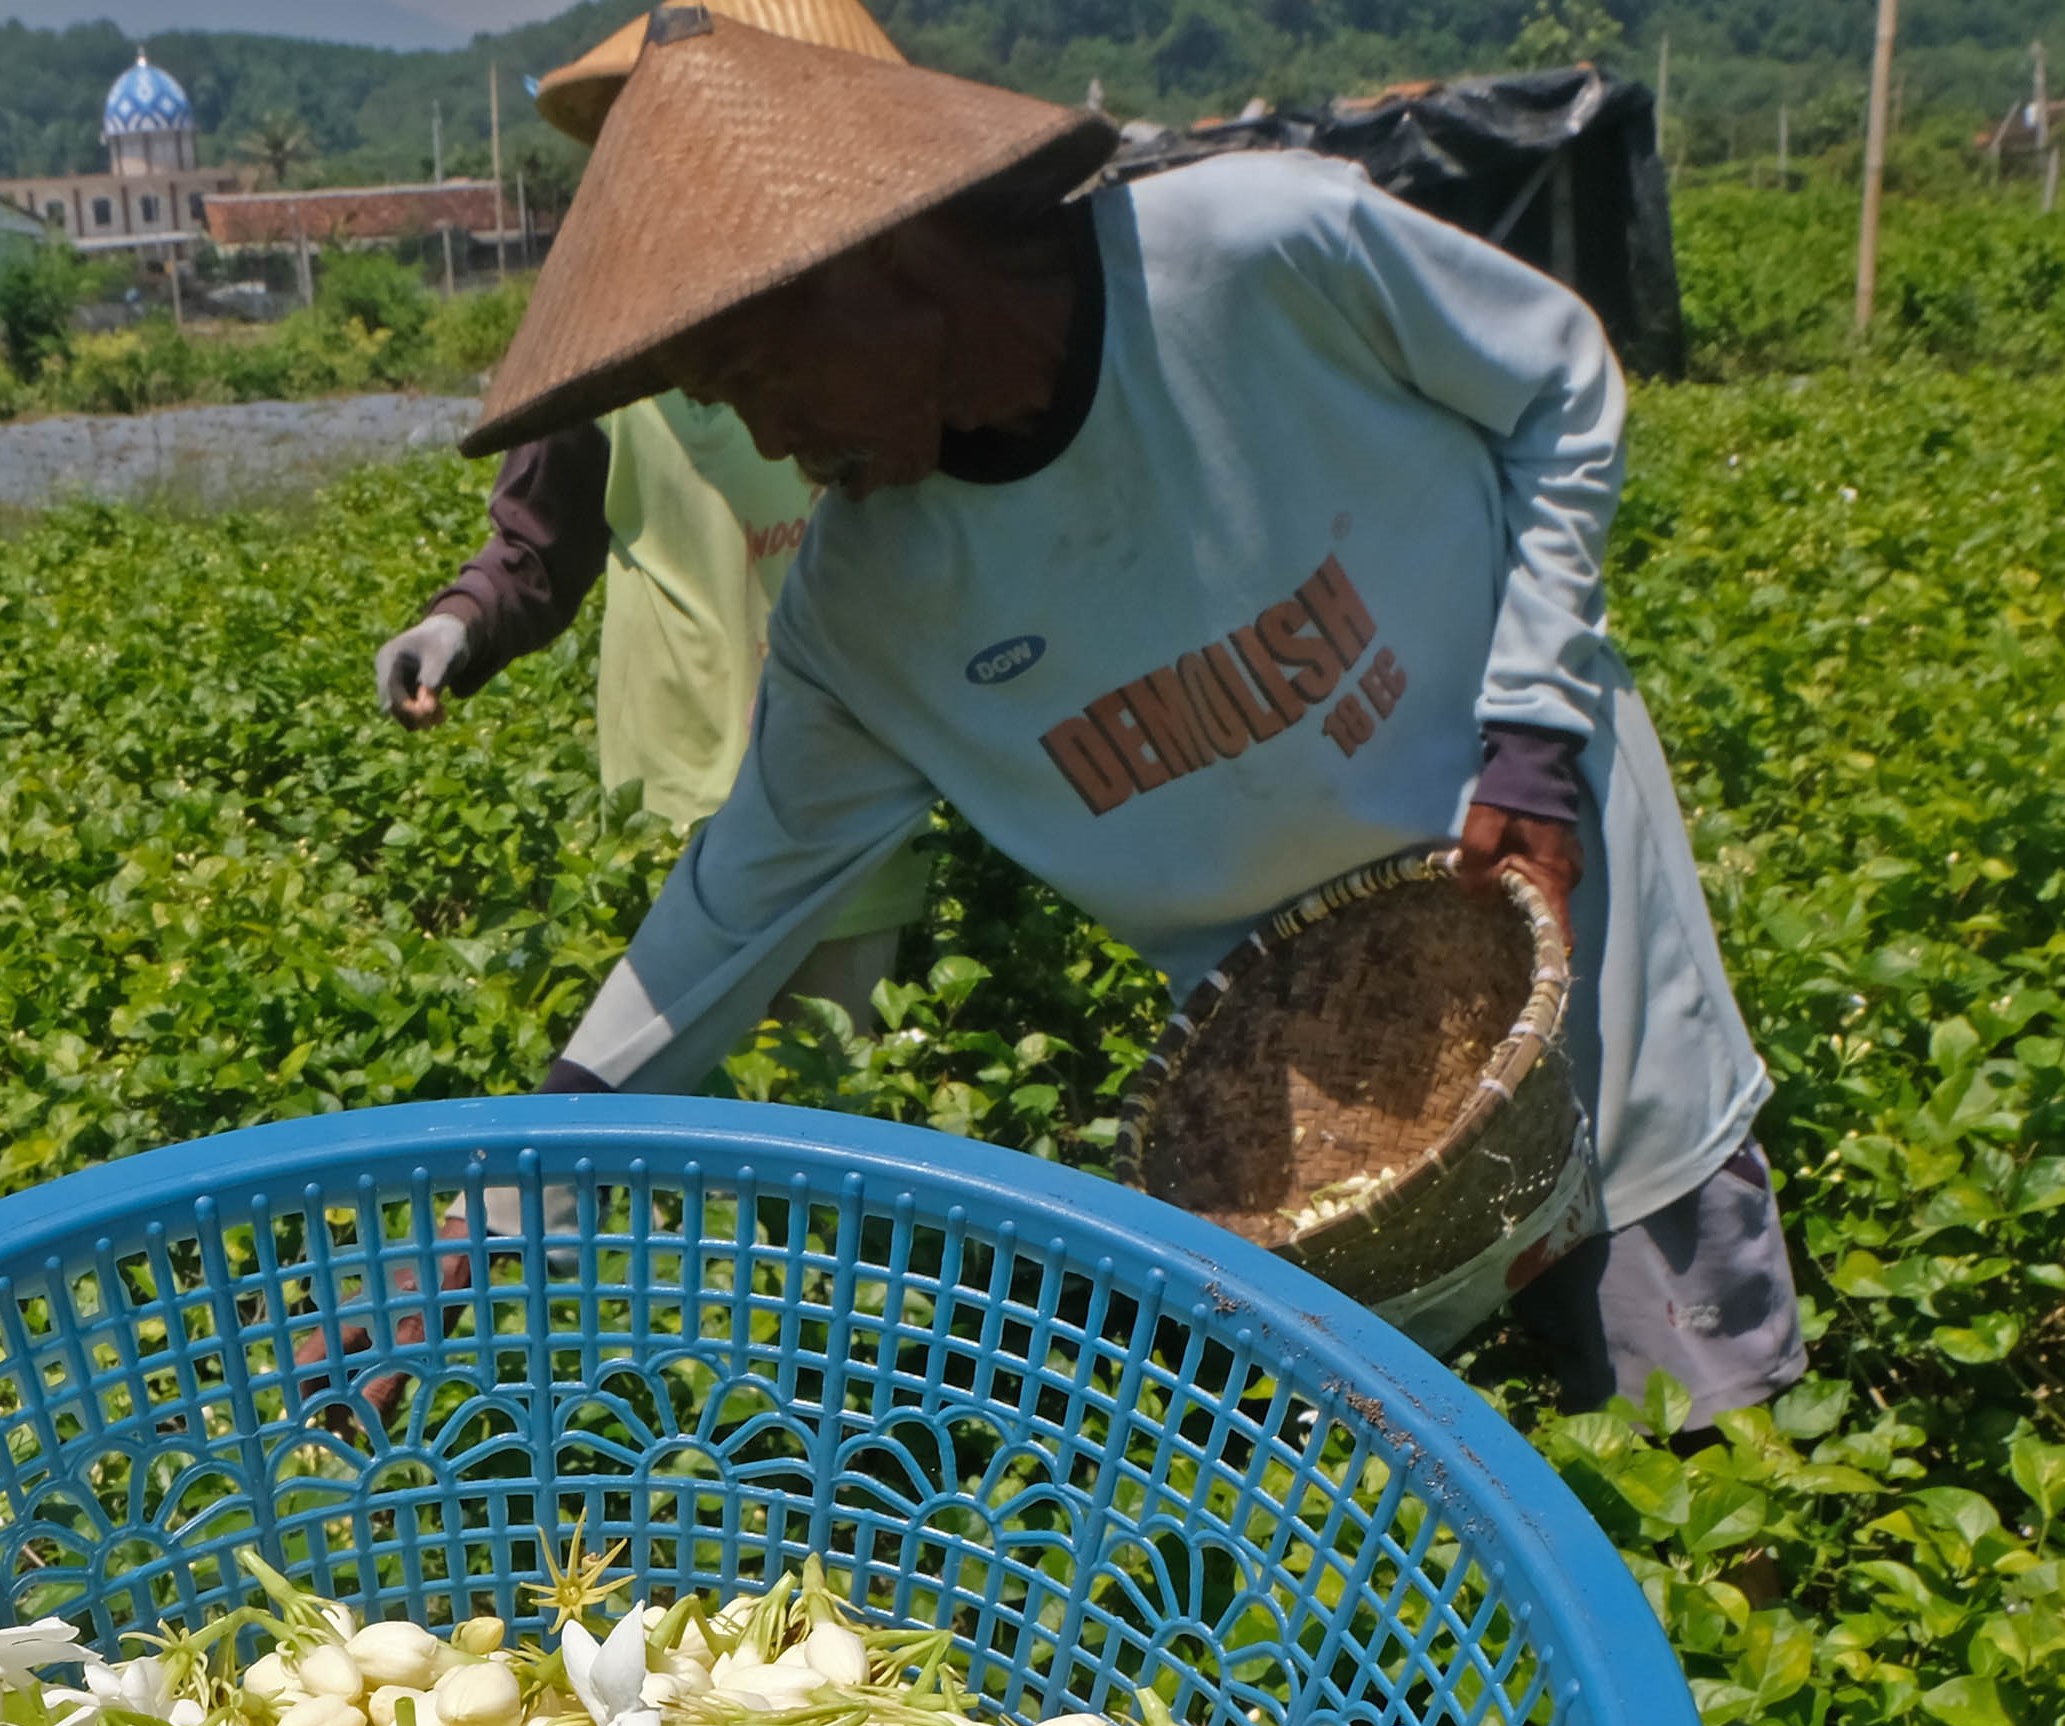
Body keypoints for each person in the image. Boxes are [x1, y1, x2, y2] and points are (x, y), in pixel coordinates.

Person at [467, 10, 1803, 1428]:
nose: (777, 446)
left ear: (880, 261)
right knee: (1377, 1471)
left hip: (1548, 897)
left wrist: (1532, 737)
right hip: (1302, 1084)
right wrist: (504, 1192)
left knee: (1692, 1416)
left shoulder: (1251, 256)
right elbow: (737, 899)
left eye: (759, 382)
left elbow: (1557, 381)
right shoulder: (866, 603)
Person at [374, 0, 934, 1056]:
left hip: (852, 804)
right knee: (656, 1137)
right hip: (663, 800)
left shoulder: (889, 312)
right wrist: (457, 627)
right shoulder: (613, 323)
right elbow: (538, 541)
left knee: (832, 1128)